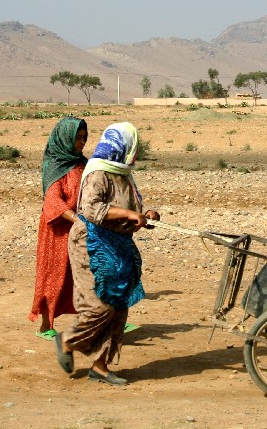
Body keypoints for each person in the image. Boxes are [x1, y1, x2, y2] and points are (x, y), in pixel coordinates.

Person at [54, 122, 159, 386]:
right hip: (91, 244)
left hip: (119, 245)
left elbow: (131, 207)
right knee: (99, 306)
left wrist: (146, 215)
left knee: (118, 307)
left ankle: (100, 367)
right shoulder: (98, 173)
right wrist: (126, 214)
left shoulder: (123, 174)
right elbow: (90, 209)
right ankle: (68, 340)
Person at [28, 117, 88, 338]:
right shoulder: (54, 166)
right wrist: (77, 219)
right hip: (57, 230)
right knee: (54, 275)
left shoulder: (84, 164)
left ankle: (95, 321)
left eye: (83, 138)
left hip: (81, 228)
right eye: (77, 138)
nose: (81, 142)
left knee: (86, 275)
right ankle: (46, 324)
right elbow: (53, 201)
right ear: (66, 138)